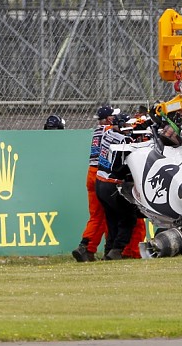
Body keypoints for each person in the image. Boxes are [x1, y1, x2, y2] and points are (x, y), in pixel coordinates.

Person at [71, 105, 117, 262]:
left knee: (97, 215)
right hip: (101, 173)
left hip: (91, 173)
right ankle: (90, 247)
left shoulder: (97, 131)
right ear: (108, 119)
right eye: (113, 117)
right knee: (107, 215)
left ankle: (88, 249)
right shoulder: (109, 130)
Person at [94, 112, 142, 260]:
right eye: (128, 125)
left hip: (99, 183)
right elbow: (123, 166)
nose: (130, 128)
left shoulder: (108, 133)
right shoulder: (124, 140)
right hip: (111, 185)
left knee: (112, 219)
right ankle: (117, 249)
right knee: (129, 217)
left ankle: (109, 250)